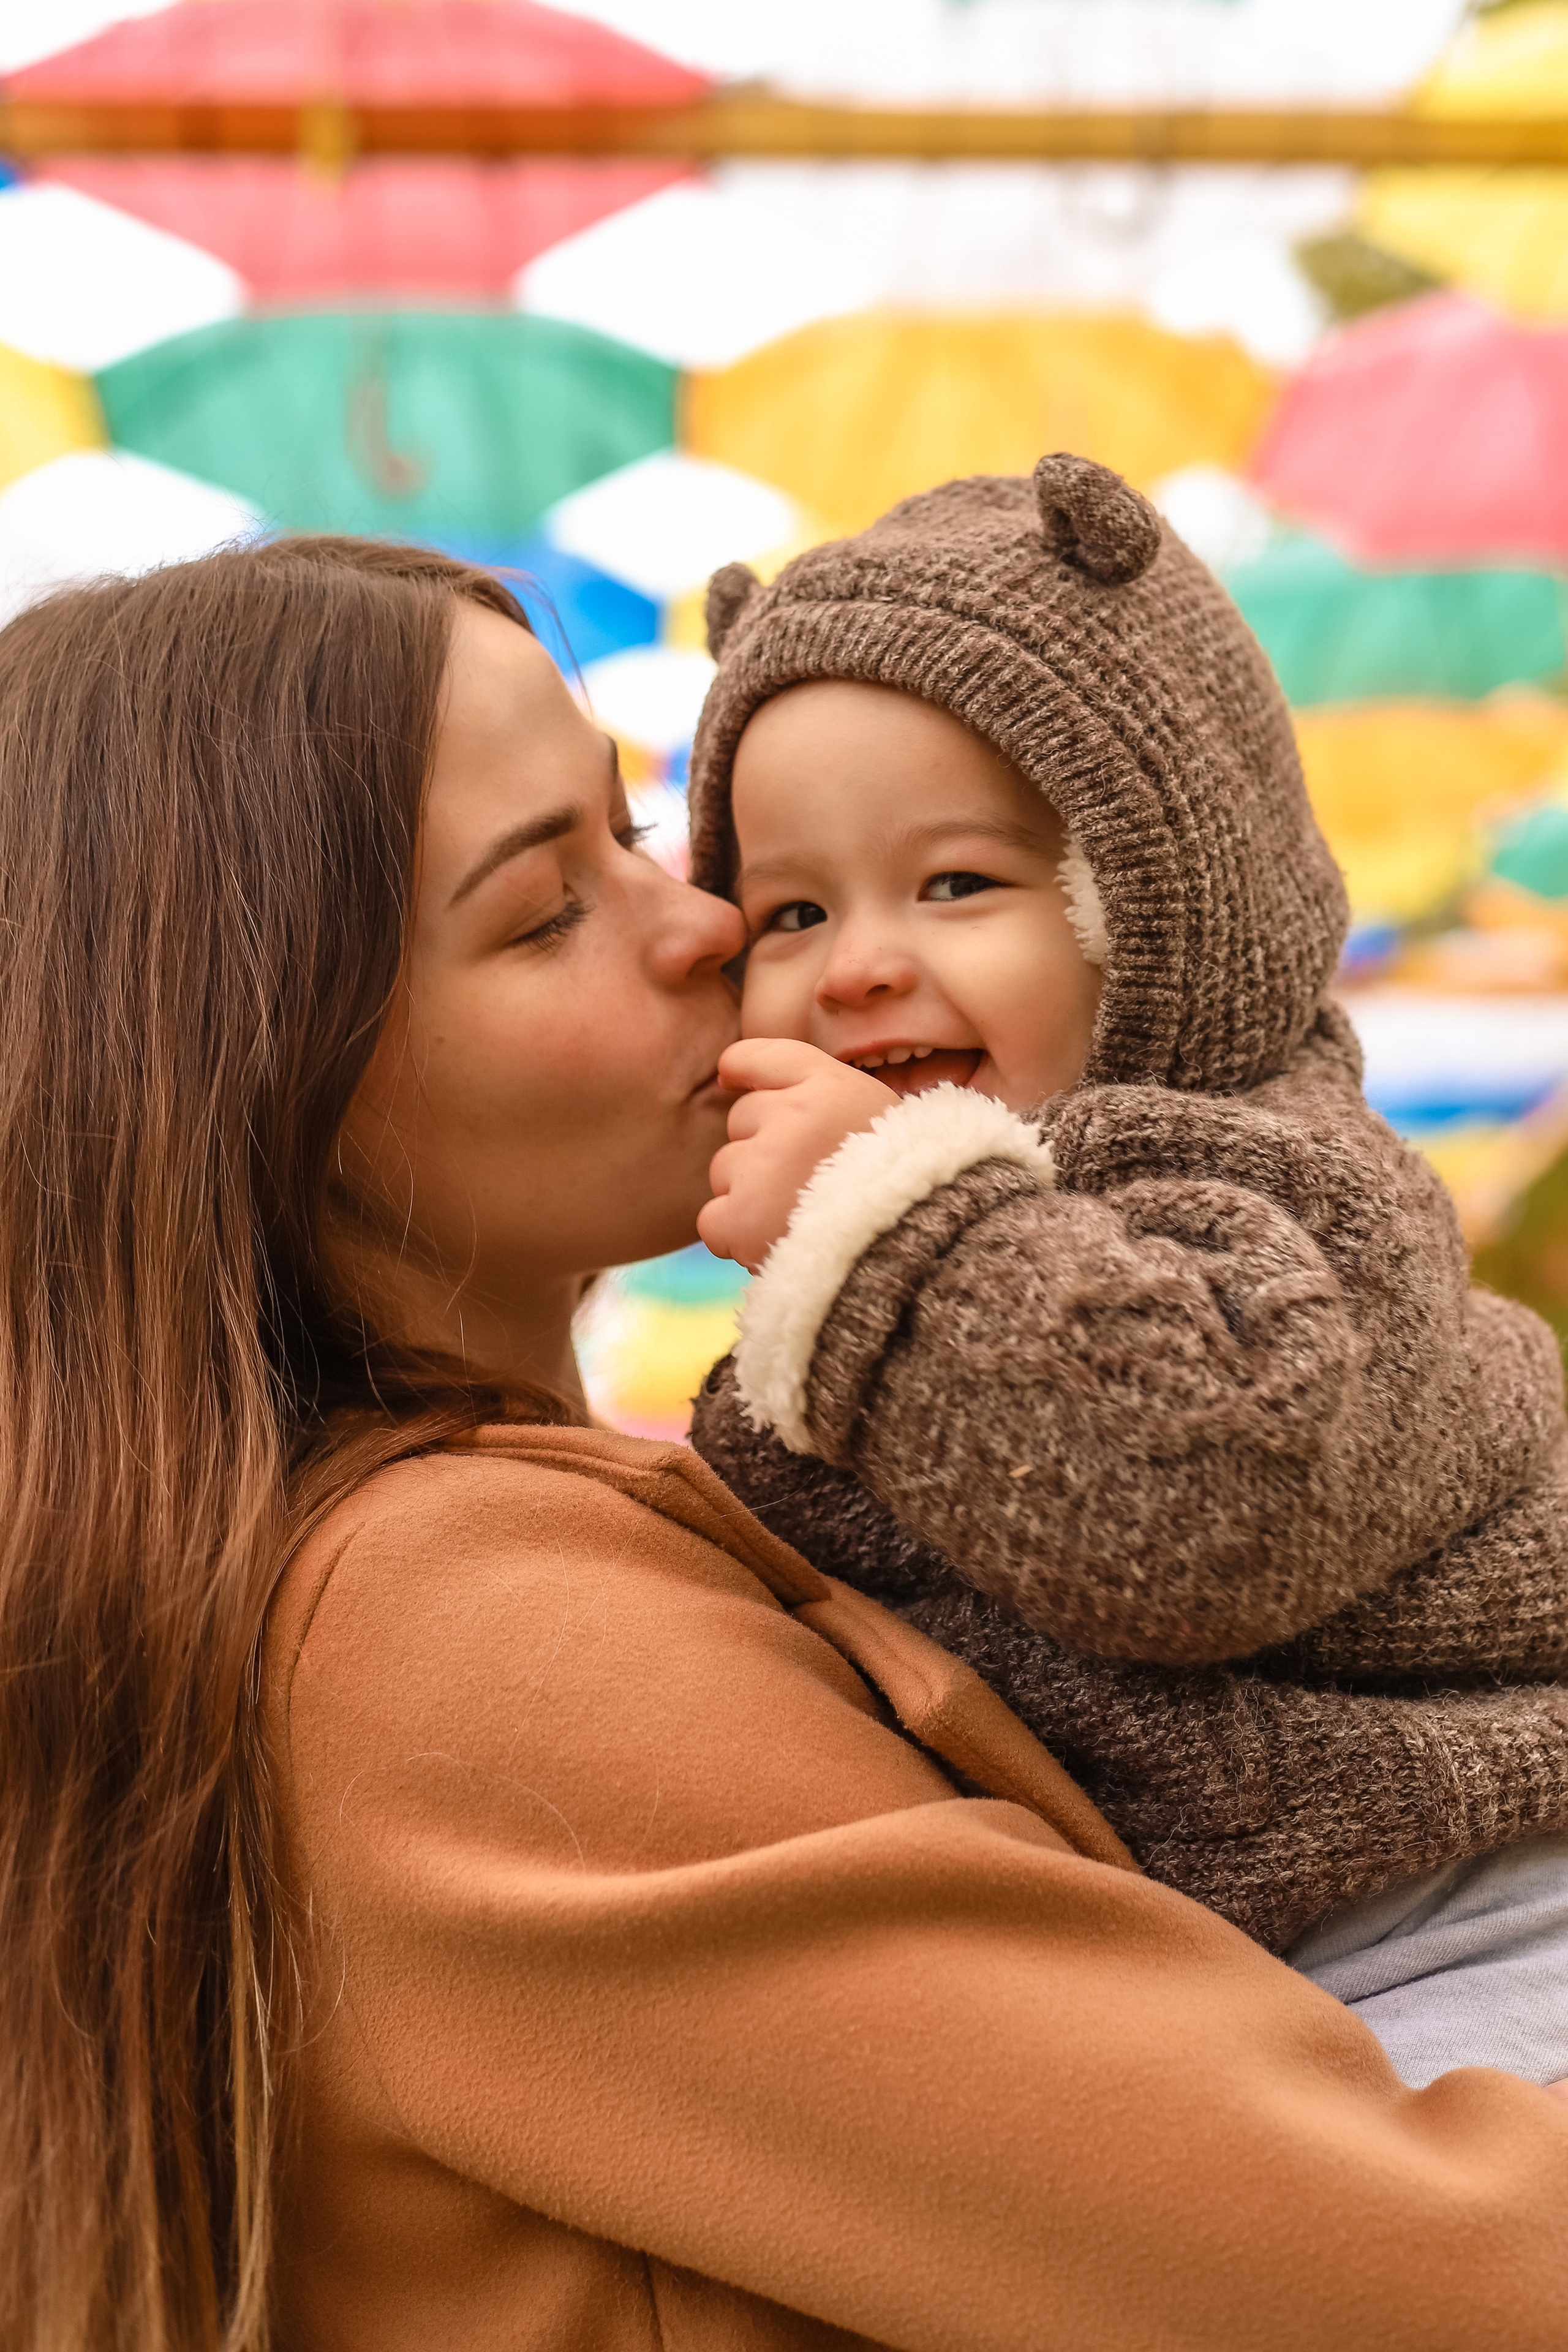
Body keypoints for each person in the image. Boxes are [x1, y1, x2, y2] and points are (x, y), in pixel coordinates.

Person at [3, 533, 1567, 2352]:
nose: (712, 925)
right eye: (543, 908)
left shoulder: (449, 1550)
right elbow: (1426, 2277)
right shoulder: (463, 1632)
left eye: (639, 833)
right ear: (264, 1087)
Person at [688, 454, 1568, 2090]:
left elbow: (1206, 1506)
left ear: (1167, 905)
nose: (863, 961)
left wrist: (890, 1229)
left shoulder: (1278, 1175)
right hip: (1220, 1974)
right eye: (791, 909)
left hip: (1464, 1919)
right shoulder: (889, 1255)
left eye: (958, 884)